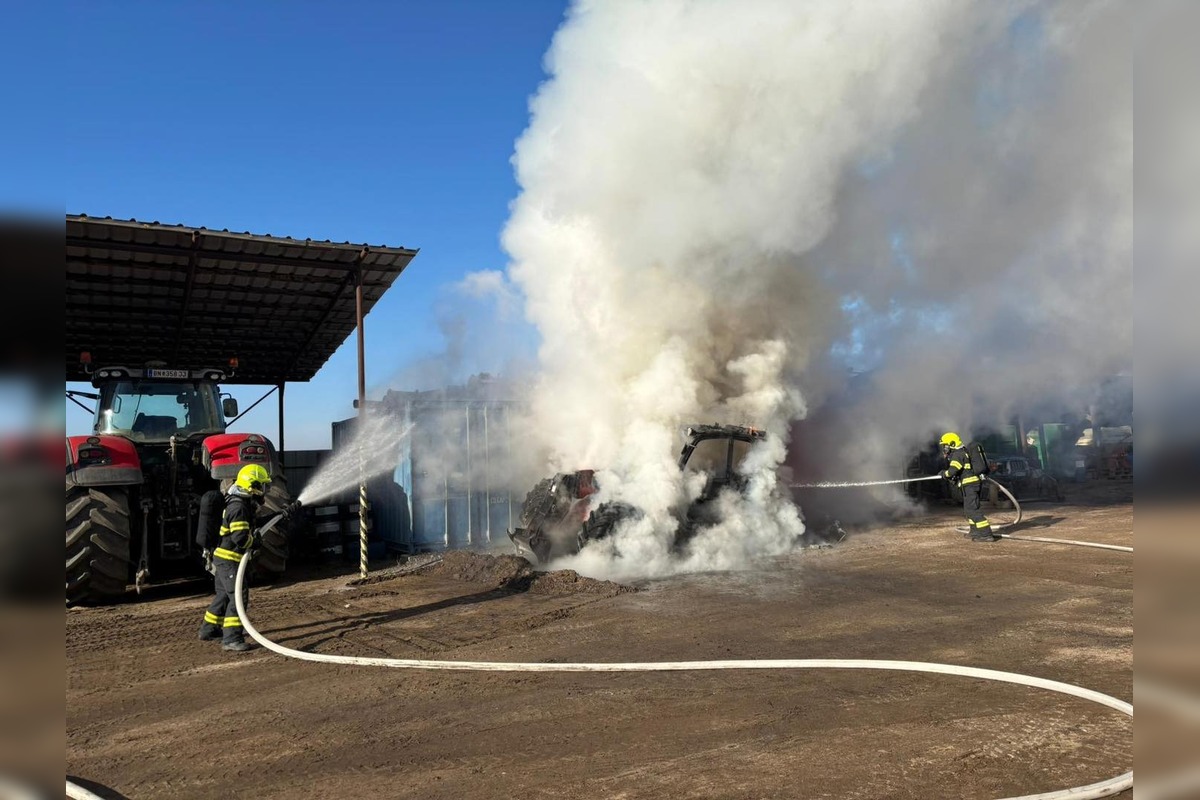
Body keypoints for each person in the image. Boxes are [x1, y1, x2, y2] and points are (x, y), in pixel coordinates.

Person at [197, 463, 271, 651]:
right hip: (230, 560)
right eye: (262, 486)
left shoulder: (239, 502)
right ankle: (231, 638)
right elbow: (240, 538)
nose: (264, 491)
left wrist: (280, 514)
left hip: (223, 558)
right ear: (251, 486)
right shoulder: (238, 507)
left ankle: (209, 629)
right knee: (238, 596)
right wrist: (254, 542)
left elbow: (248, 526)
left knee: (223, 595)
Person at [939, 432, 996, 542]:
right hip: (970, 486)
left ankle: (985, 534)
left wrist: (943, 474)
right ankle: (975, 531)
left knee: (973, 510)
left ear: (951, 443)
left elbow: (952, 471)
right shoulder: (962, 453)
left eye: (945, 445)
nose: (944, 448)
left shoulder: (958, 454)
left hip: (970, 486)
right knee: (968, 510)